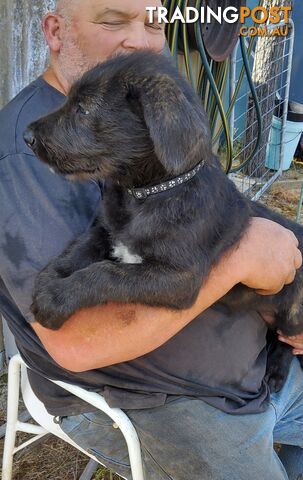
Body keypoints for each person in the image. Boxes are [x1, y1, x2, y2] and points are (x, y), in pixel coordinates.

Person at [0, 0, 303, 478]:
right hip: (170, 405)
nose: (139, 41)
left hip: (267, 362)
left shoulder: (145, 117)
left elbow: (204, 215)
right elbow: (76, 344)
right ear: (56, 32)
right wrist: (247, 255)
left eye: (154, 23)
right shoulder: (24, 162)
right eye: (112, 19)